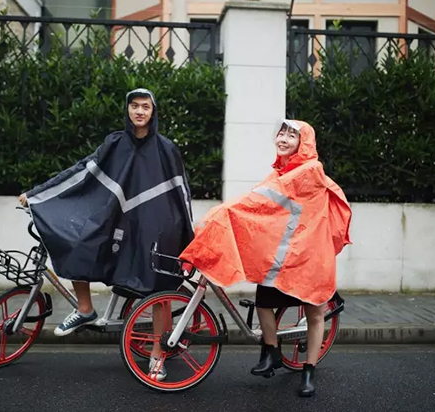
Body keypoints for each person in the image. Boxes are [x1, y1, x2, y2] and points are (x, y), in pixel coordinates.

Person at [19, 88, 195, 381]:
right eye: (134, 106)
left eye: (145, 107)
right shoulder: (114, 143)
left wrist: (190, 238)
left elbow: (181, 192)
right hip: (119, 222)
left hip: (156, 225)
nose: (139, 111)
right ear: (127, 110)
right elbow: (82, 172)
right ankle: (85, 308)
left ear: (154, 112)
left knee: (158, 289)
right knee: (78, 243)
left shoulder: (167, 148)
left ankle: (157, 355)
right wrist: (37, 194)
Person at [179, 119, 352, 397]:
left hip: (310, 256)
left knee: (315, 312)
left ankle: (309, 370)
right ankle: (271, 351)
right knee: (263, 302)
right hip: (287, 256)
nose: (283, 138)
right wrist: (226, 212)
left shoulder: (310, 169)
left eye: (291, 135)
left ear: (304, 142)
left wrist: (227, 211)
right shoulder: (280, 171)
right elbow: (260, 203)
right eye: (281, 133)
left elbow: (259, 202)